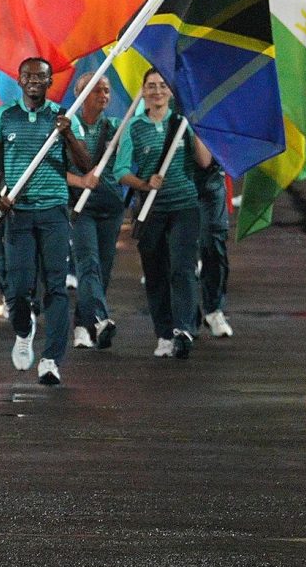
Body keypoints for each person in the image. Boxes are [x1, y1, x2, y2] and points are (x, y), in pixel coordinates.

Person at [0, 54, 90, 385]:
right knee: (17, 288)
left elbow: (86, 165)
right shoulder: (3, 116)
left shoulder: (63, 116)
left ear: (49, 82)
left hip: (54, 211)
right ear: (19, 81)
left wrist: (68, 135)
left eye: (40, 77)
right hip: (18, 212)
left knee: (56, 286)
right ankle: (23, 329)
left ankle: (51, 359)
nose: (34, 81)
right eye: (27, 76)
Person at [114, 69, 213, 359]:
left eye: (162, 86)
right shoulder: (133, 127)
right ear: (143, 91)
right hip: (150, 210)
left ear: (170, 92)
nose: (157, 91)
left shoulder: (181, 123)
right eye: (151, 86)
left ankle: (183, 329)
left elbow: (205, 161)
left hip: (184, 205)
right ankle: (164, 333)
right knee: (155, 271)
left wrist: (195, 128)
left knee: (182, 268)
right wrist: (144, 183)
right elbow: (121, 170)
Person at [62, 71, 125, 351]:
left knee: (104, 269)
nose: (104, 96)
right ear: (80, 95)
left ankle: (81, 326)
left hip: (110, 205)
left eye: (107, 91)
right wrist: (80, 181)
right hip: (80, 206)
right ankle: (100, 319)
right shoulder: (65, 128)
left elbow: (124, 165)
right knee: (88, 263)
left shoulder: (114, 129)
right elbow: (53, 169)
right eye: (97, 90)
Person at [194, 140, 235, 338]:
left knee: (213, 245)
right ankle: (187, 314)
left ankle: (214, 310)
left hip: (210, 184)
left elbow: (204, 160)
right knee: (181, 253)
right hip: (177, 182)